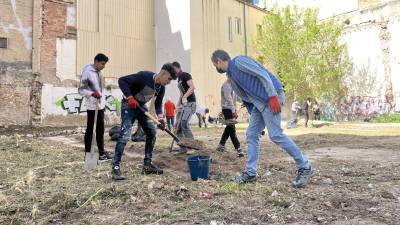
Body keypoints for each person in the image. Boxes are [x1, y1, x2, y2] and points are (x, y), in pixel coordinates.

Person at [210, 49, 314, 188]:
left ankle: (305, 167)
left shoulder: (239, 61)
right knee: (252, 134)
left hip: (271, 97)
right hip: (260, 104)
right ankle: (250, 173)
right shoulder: (231, 77)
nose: (217, 68)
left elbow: (262, 74)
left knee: (276, 134)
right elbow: (247, 97)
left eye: (215, 65)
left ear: (219, 61)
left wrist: (272, 96)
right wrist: (251, 113)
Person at [111, 63, 177, 180]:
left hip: (141, 108)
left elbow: (158, 104)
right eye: (169, 79)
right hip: (129, 105)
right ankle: (115, 167)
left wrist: (161, 118)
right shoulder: (144, 76)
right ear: (163, 74)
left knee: (151, 132)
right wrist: (130, 97)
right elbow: (122, 81)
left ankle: (147, 165)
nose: (169, 82)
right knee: (125, 135)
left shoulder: (161, 88)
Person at [79, 53, 113, 162]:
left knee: (100, 130)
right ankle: (88, 154)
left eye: (105, 64)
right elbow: (81, 90)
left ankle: (102, 153)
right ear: (96, 61)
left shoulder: (99, 73)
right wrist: (92, 94)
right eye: (102, 64)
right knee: (90, 130)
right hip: (92, 106)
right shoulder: (87, 72)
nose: (104, 66)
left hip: (100, 105)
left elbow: (100, 88)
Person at [216, 80, 244, 157]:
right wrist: (233, 111)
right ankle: (238, 148)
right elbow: (229, 99)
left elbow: (237, 97)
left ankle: (221, 145)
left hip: (231, 109)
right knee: (232, 129)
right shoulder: (226, 85)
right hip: (227, 109)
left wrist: (244, 100)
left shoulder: (233, 84)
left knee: (229, 128)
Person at [172, 62, 196, 139]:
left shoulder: (185, 75)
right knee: (177, 126)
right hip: (183, 104)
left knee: (184, 123)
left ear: (177, 68)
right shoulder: (179, 79)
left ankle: (191, 144)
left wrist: (185, 97)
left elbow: (192, 87)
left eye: (173, 70)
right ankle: (182, 145)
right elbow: (182, 94)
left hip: (190, 103)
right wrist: (178, 105)